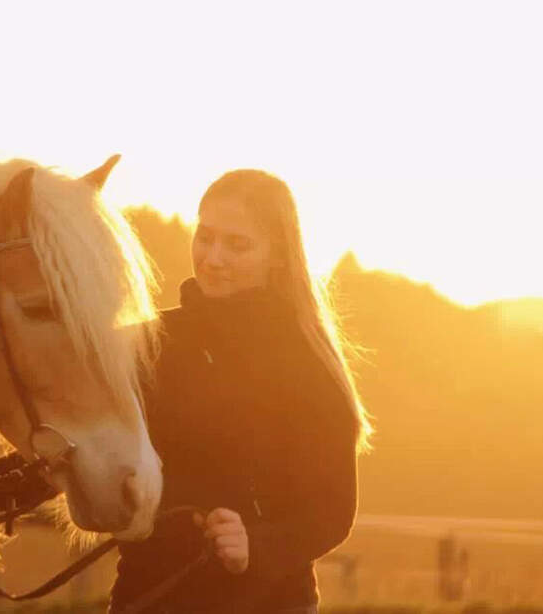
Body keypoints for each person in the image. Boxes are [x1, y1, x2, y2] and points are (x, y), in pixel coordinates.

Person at [109, 170, 373, 613]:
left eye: (237, 244)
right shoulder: (146, 343)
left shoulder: (307, 362)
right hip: (145, 597)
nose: (213, 258)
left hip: (268, 604)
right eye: (205, 237)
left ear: (278, 256)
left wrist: (257, 545)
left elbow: (331, 512)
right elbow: (73, 437)